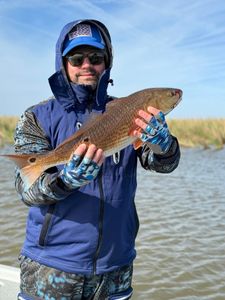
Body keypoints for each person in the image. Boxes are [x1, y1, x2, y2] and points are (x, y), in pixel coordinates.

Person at [15, 19, 180, 300]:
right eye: (77, 58)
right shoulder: (37, 117)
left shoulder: (130, 111)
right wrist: (64, 181)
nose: (87, 65)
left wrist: (165, 147)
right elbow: (27, 190)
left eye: (96, 57)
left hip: (115, 269)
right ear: (63, 62)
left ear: (107, 62)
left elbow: (162, 164)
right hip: (51, 268)